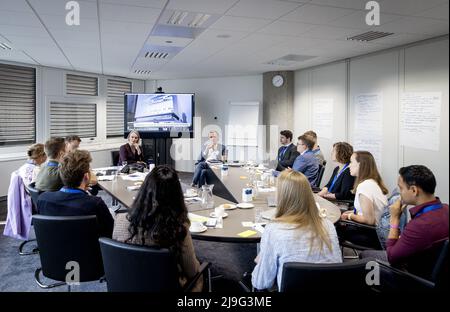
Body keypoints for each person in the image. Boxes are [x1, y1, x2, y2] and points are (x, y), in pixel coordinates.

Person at [113, 165, 203, 291]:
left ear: (144, 190)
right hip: (164, 287)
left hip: (127, 284)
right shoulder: (178, 229)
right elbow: (192, 271)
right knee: (199, 276)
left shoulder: (120, 219)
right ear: (177, 195)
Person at [251, 170, 342, 291]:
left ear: (282, 197)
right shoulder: (328, 225)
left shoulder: (274, 230)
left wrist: (261, 259)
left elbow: (261, 282)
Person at [363, 166, 449, 280]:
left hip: (412, 278)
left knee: (365, 257)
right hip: (432, 271)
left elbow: (391, 257)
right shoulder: (446, 209)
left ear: (414, 190)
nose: (399, 193)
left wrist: (394, 220)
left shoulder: (419, 225)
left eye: (401, 188)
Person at [37, 150, 113, 238]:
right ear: (86, 176)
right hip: (89, 250)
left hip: (51, 250)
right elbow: (110, 233)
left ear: (61, 174)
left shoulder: (43, 198)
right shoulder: (95, 203)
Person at [338, 151, 388, 246]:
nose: (349, 166)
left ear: (360, 165)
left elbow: (369, 220)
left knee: (334, 229)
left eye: (351, 162)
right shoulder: (371, 182)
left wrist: (350, 216)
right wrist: (353, 213)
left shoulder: (365, 186)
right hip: (372, 230)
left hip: (370, 234)